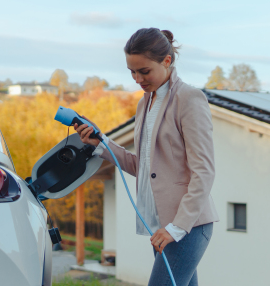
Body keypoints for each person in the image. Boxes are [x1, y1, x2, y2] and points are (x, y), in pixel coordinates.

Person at [74, 28, 218, 286]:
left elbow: (204, 172)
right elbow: (142, 166)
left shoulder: (189, 99)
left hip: (187, 226)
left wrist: (177, 227)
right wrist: (101, 142)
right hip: (161, 225)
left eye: (144, 71)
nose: (138, 79)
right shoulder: (145, 103)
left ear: (167, 61)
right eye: (132, 72)